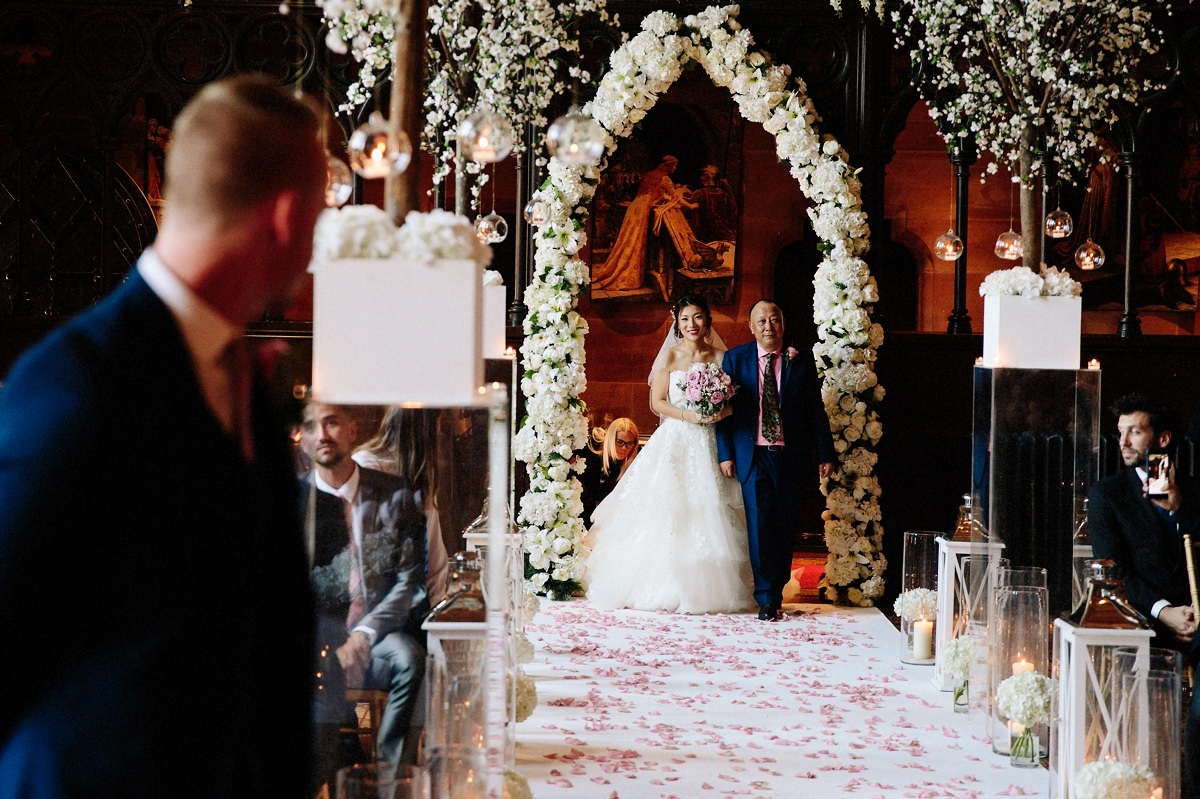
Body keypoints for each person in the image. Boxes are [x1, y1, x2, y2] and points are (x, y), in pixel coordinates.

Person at [0, 75, 326, 797]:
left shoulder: (241, 377)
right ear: (283, 218)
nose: (313, 249)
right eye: (319, 218)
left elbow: (268, 630)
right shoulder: (76, 382)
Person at [584, 295, 754, 614]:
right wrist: (688, 415)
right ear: (678, 321)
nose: (692, 325)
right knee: (668, 507)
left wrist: (719, 410)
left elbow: (737, 401)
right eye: (686, 319)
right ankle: (664, 584)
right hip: (677, 438)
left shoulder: (722, 357)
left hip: (712, 441)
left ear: (708, 321)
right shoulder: (670, 357)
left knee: (711, 508)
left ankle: (712, 587)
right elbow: (657, 402)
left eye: (698, 318)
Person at [300, 402, 429, 786]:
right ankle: (321, 777)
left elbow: (411, 582)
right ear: (304, 438)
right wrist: (331, 641)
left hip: (379, 639)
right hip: (318, 643)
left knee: (411, 659)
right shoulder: (293, 503)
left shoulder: (395, 494)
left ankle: (391, 781)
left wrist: (363, 634)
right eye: (312, 426)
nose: (322, 434)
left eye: (332, 422)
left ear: (352, 430)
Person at [1086, 392, 1200, 798]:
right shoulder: (1107, 495)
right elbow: (1115, 574)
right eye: (1121, 432)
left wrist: (1176, 511)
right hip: (1143, 621)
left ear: (1163, 438)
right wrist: (1166, 611)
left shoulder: (1191, 490)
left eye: (1135, 431)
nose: (1125, 441)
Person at [716, 300, 836, 621]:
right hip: (752, 456)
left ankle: (777, 589)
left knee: (784, 526)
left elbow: (815, 412)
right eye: (762, 321)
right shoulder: (735, 359)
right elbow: (724, 414)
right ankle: (766, 597)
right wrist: (725, 454)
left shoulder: (801, 361)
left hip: (790, 457)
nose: (769, 326)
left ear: (782, 325)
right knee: (759, 527)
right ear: (751, 327)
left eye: (775, 320)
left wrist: (825, 453)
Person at [354, 406, 450, 603]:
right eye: (438, 426)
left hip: (407, 602)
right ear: (427, 432)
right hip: (367, 601)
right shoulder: (363, 467)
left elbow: (434, 558)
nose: (441, 434)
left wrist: (436, 618)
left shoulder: (421, 475)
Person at [593, 155, 681, 292]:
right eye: (674, 166)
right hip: (642, 212)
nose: (675, 169)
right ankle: (628, 274)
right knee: (635, 241)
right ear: (668, 165)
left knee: (627, 240)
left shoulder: (652, 175)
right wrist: (689, 202)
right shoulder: (665, 178)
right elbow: (675, 198)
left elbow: (659, 194)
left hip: (634, 207)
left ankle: (620, 269)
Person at [577, 417, 640, 528]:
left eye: (630, 443)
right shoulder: (590, 448)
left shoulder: (629, 464)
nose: (624, 448)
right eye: (620, 442)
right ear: (611, 438)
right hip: (580, 509)